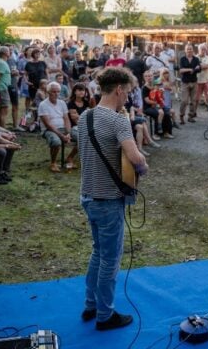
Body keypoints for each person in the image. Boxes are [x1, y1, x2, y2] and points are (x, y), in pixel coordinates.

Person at [78, 66, 147, 332]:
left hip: (87, 195)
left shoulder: (86, 116)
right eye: (127, 92)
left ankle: (91, 304)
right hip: (108, 199)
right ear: (118, 89)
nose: (128, 98)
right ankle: (105, 316)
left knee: (97, 252)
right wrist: (144, 168)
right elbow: (135, 157)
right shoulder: (118, 120)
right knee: (110, 259)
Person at [38, 81, 75, 172]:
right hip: (49, 130)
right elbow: (48, 124)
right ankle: (53, 163)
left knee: (83, 136)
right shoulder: (43, 104)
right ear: (48, 92)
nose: (56, 94)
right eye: (54, 92)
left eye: (58, 91)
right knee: (56, 141)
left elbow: (66, 119)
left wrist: (68, 133)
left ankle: (70, 157)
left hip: (63, 128)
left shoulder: (62, 103)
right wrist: (62, 136)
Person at [178, 44, 200, 124]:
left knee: (193, 101)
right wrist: (190, 69)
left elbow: (199, 69)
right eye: (188, 49)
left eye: (190, 49)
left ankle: (191, 116)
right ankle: (181, 116)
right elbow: (181, 70)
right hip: (185, 82)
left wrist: (194, 69)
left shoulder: (196, 59)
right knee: (184, 101)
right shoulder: (182, 59)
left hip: (194, 82)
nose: (189, 50)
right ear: (185, 50)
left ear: (193, 50)